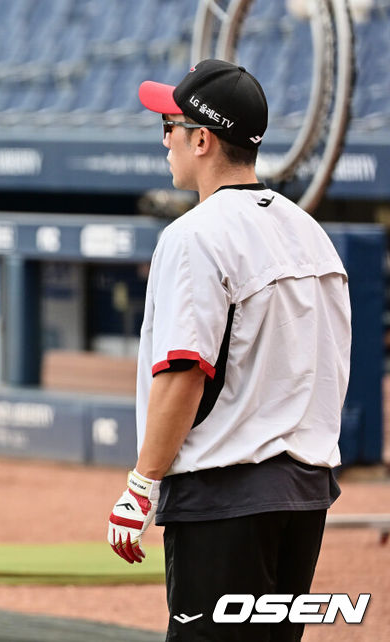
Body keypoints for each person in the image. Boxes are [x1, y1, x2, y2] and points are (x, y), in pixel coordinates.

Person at [106, 59, 351, 641]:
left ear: (201, 138)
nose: (164, 138)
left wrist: (141, 485)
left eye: (169, 124)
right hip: (304, 494)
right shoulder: (309, 231)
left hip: (224, 493)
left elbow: (184, 372)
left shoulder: (194, 235)